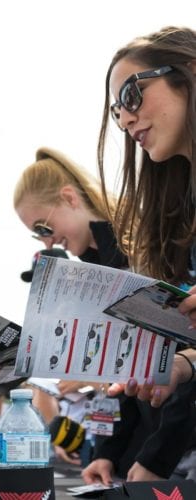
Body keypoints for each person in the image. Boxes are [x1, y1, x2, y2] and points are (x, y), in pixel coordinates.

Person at [13, 146, 196, 482]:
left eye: (43, 226)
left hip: (180, 453)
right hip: (156, 448)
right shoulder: (99, 267)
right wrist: (106, 455)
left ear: (69, 198)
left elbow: (182, 358)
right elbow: (121, 378)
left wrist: (157, 459)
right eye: (37, 234)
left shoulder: (144, 248)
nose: (47, 239)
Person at [93, 27, 196, 410]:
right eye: (116, 111)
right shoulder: (183, 208)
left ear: (190, 74)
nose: (124, 120)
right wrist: (181, 367)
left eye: (130, 96)